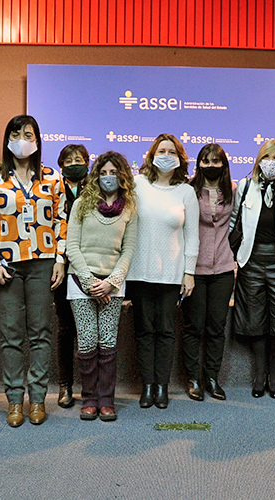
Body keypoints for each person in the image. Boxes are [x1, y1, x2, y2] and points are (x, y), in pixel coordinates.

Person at [0, 115, 67, 427]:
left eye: (28, 134)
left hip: (43, 263)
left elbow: (60, 221)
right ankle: (15, 400)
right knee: (12, 334)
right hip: (6, 265)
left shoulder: (52, 179)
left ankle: (38, 398)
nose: (22, 139)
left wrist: (60, 259)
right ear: (7, 140)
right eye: (16, 133)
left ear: (38, 140)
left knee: (41, 333)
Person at [126, 134, 198, 410]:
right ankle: (147, 386)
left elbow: (192, 237)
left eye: (171, 151)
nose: (166, 155)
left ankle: (162, 386)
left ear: (179, 158)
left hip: (171, 274)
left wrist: (189, 272)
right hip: (140, 272)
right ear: (151, 155)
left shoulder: (186, 192)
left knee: (166, 331)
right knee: (144, 331)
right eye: (161, 150)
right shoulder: (137, 185)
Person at [66, 151, 137, 421]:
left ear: (123, 176)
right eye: (104, 172)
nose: (109, 177)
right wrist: (89, 281)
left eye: (114, 172)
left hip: (112, 287)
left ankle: (107, 400)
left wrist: (111, 283)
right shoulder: (82, 203)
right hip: (80, 282)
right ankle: (89, 399)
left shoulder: (130, 207)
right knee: (87, 342)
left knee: (107, 343)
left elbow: (128, 250)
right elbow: (72, 246)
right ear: (97, 175)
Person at [231, 139, 275, 399]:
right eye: (268, 157)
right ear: (259, 160)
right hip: (251, 261)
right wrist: (234, 257)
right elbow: (234, 224)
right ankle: (259, 375)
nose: (272, 162)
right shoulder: (246, 187)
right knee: (255, 320)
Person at [180, 144, 236, 401]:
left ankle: (212, 377)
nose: (211, 165)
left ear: (223, 164)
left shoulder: (233, 190)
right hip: (195, 269)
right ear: (198, 164)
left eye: (216, 161)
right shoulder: (189, 191)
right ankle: (192, 378)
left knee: (216, 326)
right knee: (194, 327)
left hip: (224, 268)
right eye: (206, 161)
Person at [54, 144, 90, 408]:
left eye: (79, 159)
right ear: (60, 164)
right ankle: (65, 386)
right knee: (65, 328)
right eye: (69, 159)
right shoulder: (52, 188)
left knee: (89, 329)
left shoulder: (98, 189)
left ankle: (91, 386)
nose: (74, 163)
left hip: (89, 266)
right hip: (60, 265)